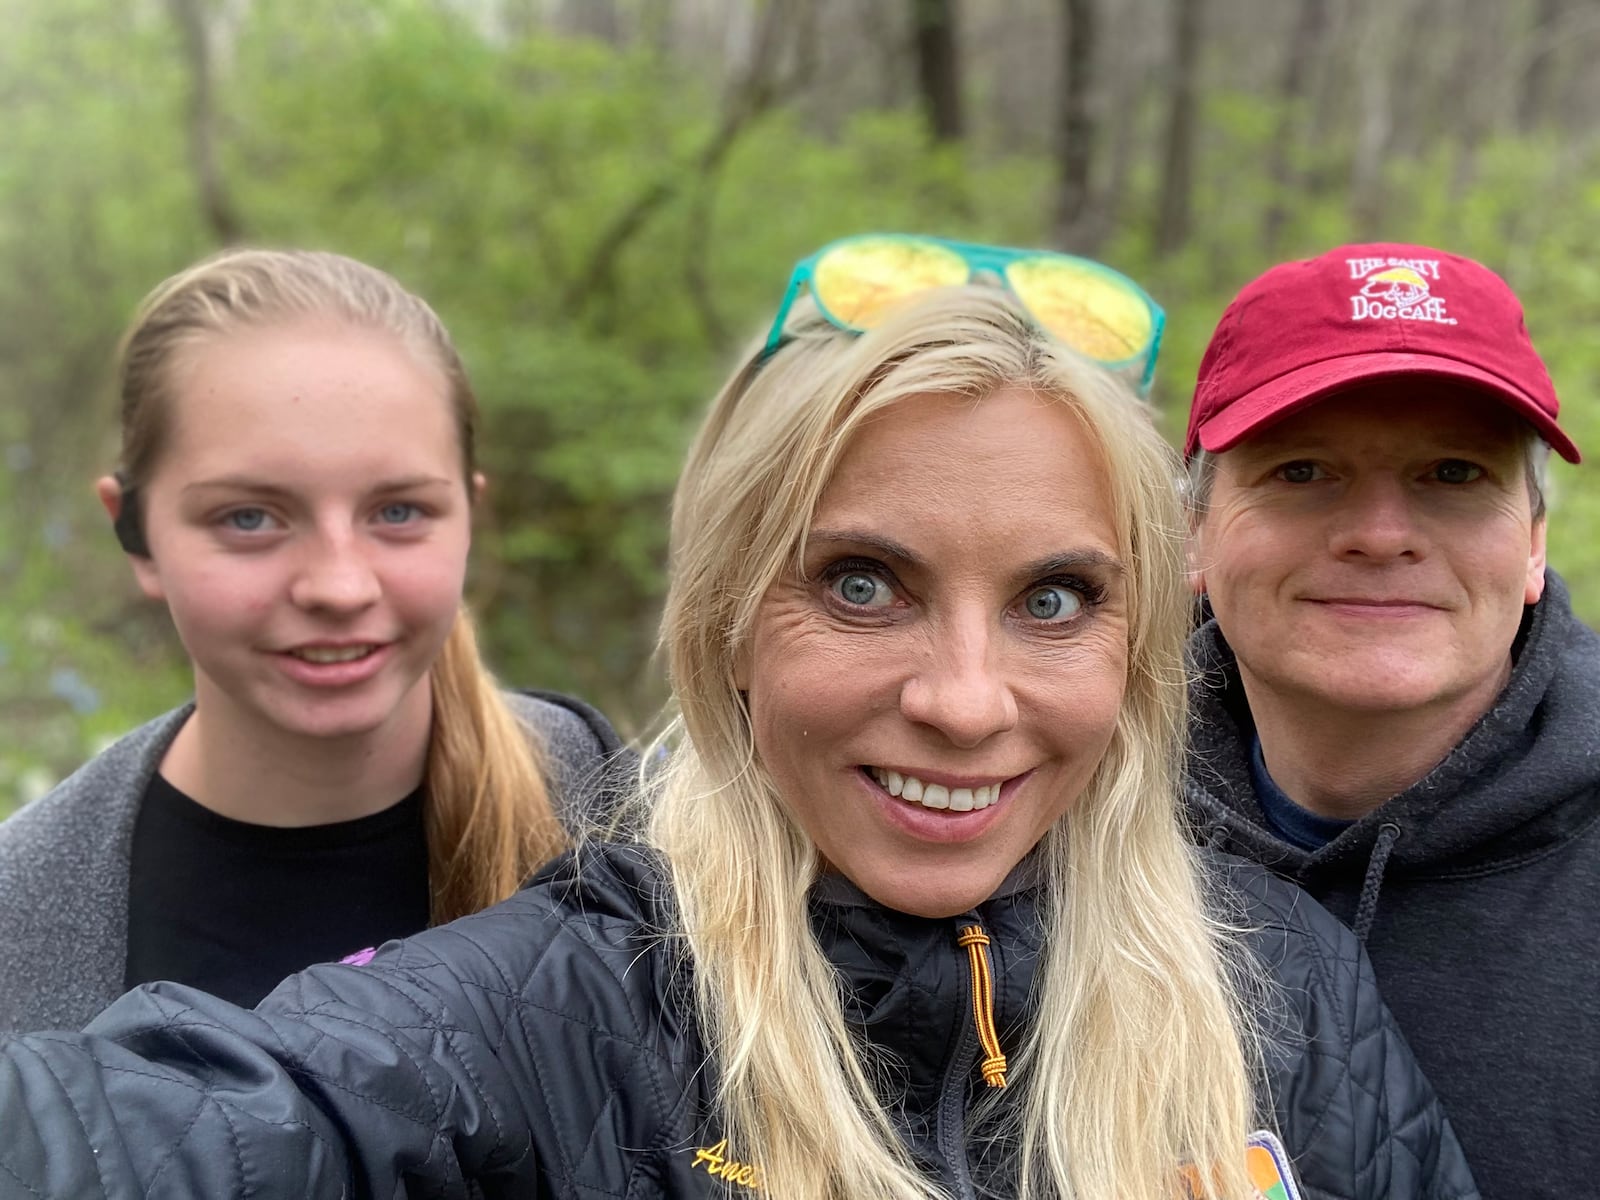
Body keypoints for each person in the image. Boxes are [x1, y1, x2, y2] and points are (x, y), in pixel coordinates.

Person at [0, 237, 1475, 1200]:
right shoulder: (571, 1005)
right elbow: (195, 1122)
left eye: (1053, 601)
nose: (965, 703)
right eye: (860, 584)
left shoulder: (1285, 991)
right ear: (727, 620)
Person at [0, 248, 627, 1033]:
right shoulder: (23, 919)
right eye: (249, 518)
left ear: (468, 517)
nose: (338, 586)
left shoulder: (642, 835)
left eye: (398, 512)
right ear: (135, 535)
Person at [1182, 240, 1595, 1200]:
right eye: (1301, 471)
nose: (1379, 532)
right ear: (1194, 532)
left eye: (1453, 475)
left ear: (1533, 544)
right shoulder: (1055, 817)